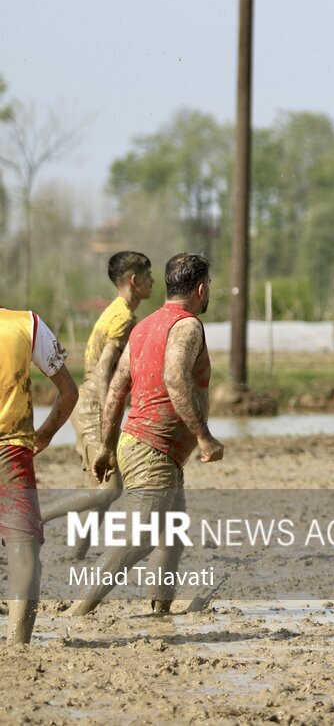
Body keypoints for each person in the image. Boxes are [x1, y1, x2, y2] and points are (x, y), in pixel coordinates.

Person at [69, 253, 224, 617]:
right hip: (152, 447)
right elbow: (174, 378)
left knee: (172, 534)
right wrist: (203, 436)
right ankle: (78, 612)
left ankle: (160, 610)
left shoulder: (145, 326)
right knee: (140, 537)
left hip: (150, 448)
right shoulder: (187, 327)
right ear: (201, 289)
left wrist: (108, 446)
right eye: (210, 286)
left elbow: (118, 388)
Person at [41, 251, 153, 559]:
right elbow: (104, 369)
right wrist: (109, 417)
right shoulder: (123, 317)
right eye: (149, 276)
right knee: (111, 488)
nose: (153, 282)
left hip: (90, 400)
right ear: (134, 280)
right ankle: (38, 519)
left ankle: (77, 553)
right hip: (93, 402)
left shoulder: (119, 311)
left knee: (102, 484)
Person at [0, 305, 78, 644]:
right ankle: (18, 646)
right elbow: (69, 392)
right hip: (11, 449)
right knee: (24, 548)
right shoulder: (25, 324)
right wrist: (44, 435)